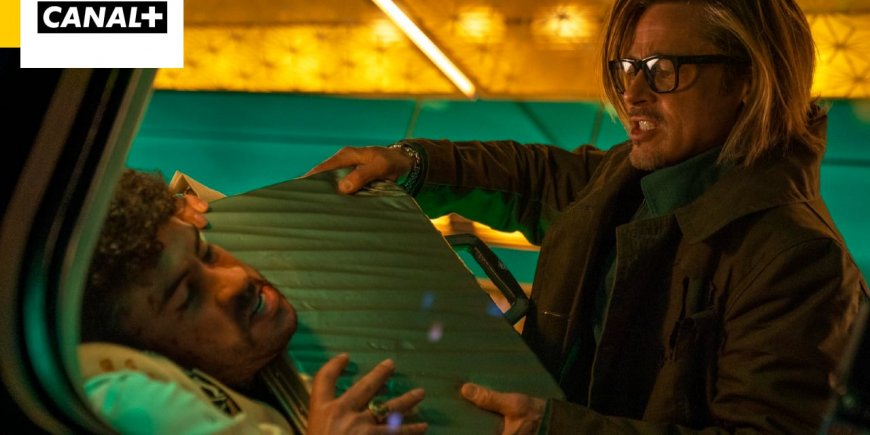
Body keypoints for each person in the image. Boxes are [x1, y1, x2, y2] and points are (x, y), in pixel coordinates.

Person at [305, 0, 870, 433]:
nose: (632, 93)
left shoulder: (800, 260)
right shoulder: (627, 179)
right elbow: (528, 177)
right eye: (627, 67)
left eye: (662, 68)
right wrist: (410, 163)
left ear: (748, 79)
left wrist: (553, 427)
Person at [80, 169, 428, 434]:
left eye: (207, 252)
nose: (236, 280)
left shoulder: (159, 239)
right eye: (188, 297)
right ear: (145, 356)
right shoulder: (136, 402)